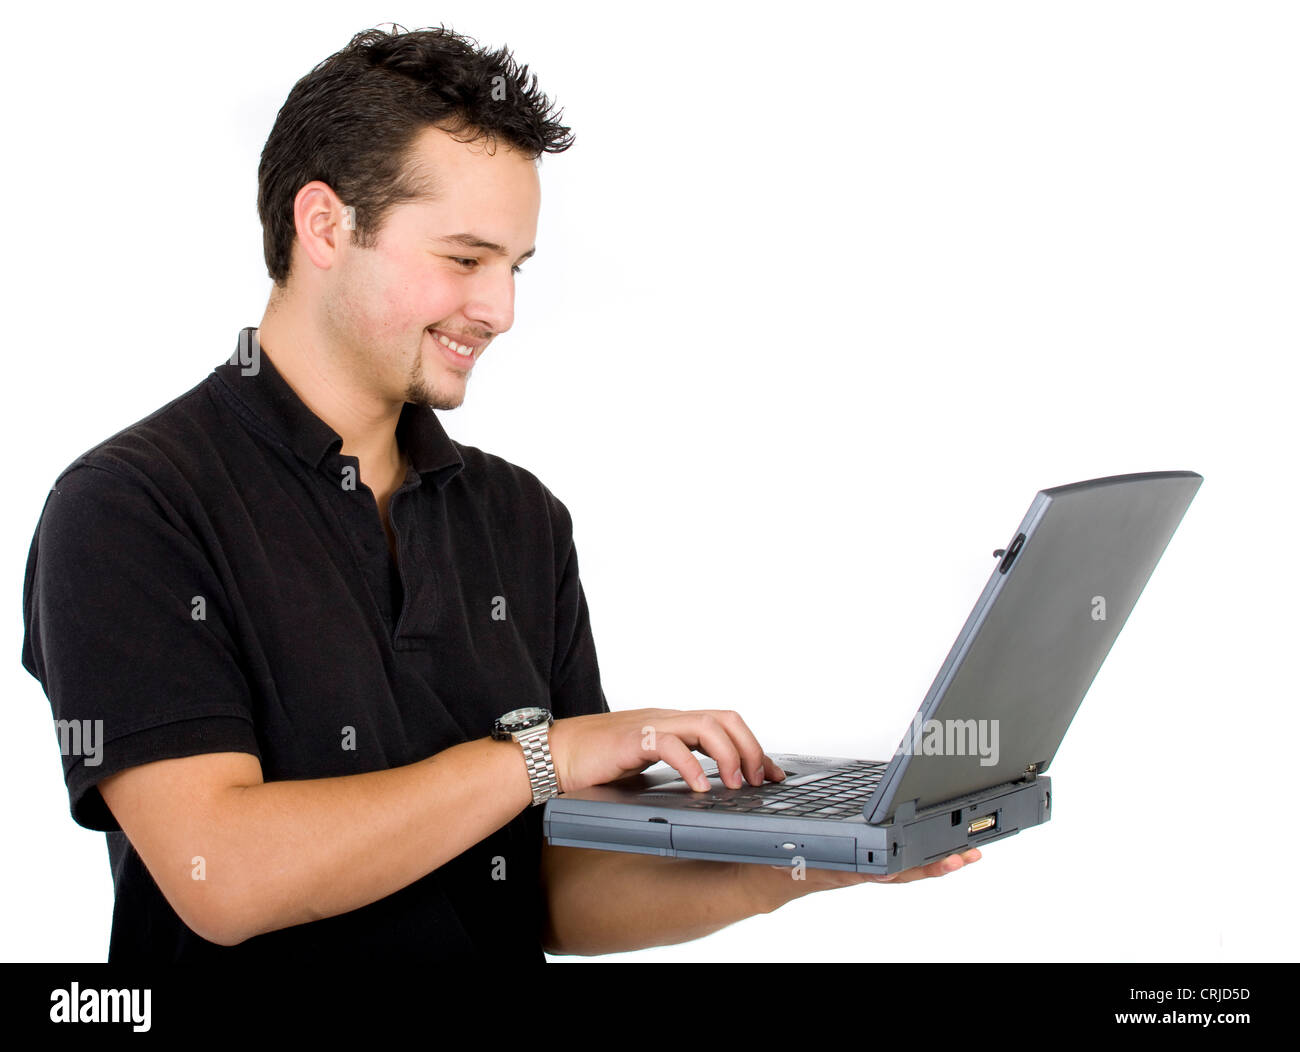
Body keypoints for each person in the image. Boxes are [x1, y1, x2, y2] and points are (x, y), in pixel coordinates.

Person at [19, 23, 978, 964]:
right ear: (325, 224)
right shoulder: (130, 510)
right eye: (465, 258)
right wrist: (540, 756)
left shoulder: (521, 519)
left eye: (514, 268)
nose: (500, 310)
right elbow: (220, 876)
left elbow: (554, 893)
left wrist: (814, 860)